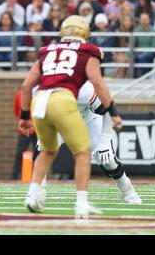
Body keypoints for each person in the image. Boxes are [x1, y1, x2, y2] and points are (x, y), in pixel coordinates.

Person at [18, 15, 123, 217]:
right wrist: (114, 112)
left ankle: (32, 195)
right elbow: (98, 83)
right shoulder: (88, 51)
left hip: (40, 101)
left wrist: (24, 117)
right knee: (82, 153)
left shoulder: (47, 50)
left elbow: (26, 85)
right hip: (63, 99)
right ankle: (82, 203)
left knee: (47, 151)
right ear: (85, 32)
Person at [38, 81, 141, 204]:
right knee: (44, 150)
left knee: (106, 158)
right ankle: (38, 192)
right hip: (60, 121)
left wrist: (104, 141)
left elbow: (107, 109)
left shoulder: (85, 90)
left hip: (88, 119)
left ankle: (127, 189)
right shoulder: (45, 90)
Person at [11, 89, 38, 180]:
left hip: (38, 130)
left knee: (39, 154)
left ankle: (37, 177)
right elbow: (17, 111)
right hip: (24, 130)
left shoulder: (40, 94)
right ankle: (14, 177)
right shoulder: (19, 94)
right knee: (20, 154)